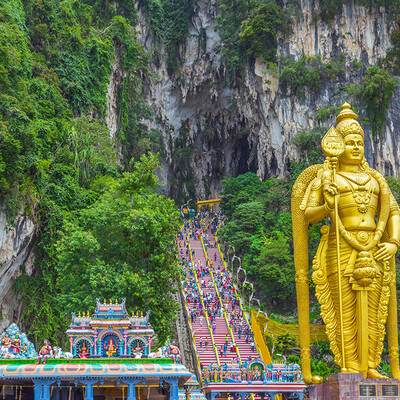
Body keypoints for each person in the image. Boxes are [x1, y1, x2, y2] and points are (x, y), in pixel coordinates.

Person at [293, 103, 400, 382]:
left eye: (359, 142)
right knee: (345, 310)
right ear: (337, 146)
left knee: (376, 309)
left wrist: (394, 242)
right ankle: (351, 365)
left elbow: (393, 212)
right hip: (340, 248)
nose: (355, 147)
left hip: (375, 247)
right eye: (349, 142)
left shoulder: (376, 179)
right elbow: (306, 214)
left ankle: (372, 365)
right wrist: (328, 206)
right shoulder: (326, 177)